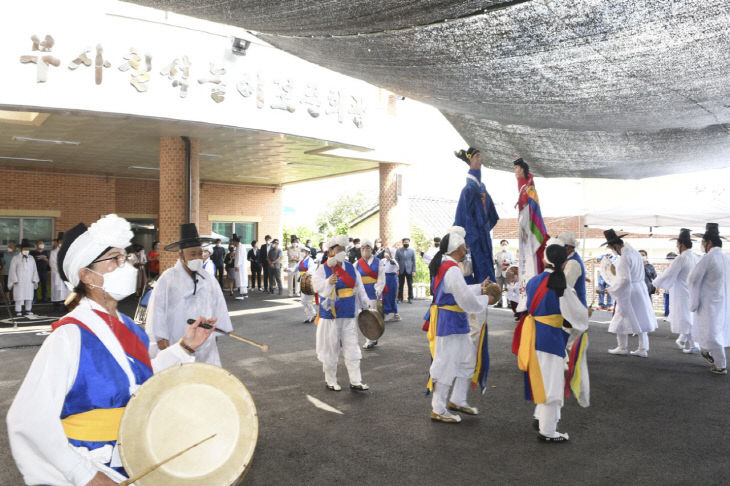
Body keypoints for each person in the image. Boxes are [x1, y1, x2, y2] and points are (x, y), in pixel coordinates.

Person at [6, 214, 215, 485]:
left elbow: (140, 381)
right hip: (91, 463)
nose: (125, 265)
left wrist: (185, 346)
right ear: (85, 274)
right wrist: (87, 475)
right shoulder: (69, 335)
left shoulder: (129, 327)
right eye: (114, 259)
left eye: (124, 258)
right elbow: (28, 419)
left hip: (133, 457)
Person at [513, 238, 589, 442]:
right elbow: (578, 316)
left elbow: (526, 306)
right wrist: (584, 316)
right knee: (552, 384)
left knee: (543, 378)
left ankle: (541, 417)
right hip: (551, 339)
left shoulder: (533, 281)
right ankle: (547, 430)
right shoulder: (560, 285)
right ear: (564, 262)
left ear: (545, 259)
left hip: (533, 336)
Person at [425, 227, 495, 423]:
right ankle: (438, 409)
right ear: (457, 248)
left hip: (456, 321)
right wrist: (485, 300)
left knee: (467, 360)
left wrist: (479, 288)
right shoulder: (452, 269)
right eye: (464, 247)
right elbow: (463, 298)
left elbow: (459, 290)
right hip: (450, 322)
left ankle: (458, 399)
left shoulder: (447, 265)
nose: (466, 250)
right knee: (446, 365)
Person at [146, 223, 233, 366]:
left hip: (205, 341)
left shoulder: (209, 279)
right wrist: (160, 336)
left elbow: (218, 307)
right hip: (177, 337)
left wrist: (216, 332)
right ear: (181, 255)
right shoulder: (168, 279)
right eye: (192, 254)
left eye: (200, 253)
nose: (197, 257)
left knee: (203, 379)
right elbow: (157, 309)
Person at [313, 234, 371, 391]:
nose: (342, 252)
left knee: (352, 347)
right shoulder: (323, 268)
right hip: (331, 314)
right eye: (339, 249)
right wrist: (328, 282)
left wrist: (366, 303)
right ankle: (330, 380)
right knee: (331, 348)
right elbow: (316, 286)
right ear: (331, 251)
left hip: (349, 312)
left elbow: (359, 287)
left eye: (344, 249)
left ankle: (356, 381)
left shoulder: (351, 267)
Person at [603, 229, 657, 358]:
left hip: (630, 291)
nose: (612, 250)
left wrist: (611, 290)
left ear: (616, 245)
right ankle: (643, 349)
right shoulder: (635, 253)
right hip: (640, 288)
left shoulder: (623, 258)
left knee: (620, 317)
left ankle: (622, 347)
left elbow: (624, 280)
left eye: (611, 248)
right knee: (641, 317)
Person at [688, 223, 730, 374]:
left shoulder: (709, 257)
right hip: (723, 301)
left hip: (710, 301)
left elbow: (693, 279)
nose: (702, 245)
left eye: (703, 242)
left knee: (712, 332)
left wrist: (693, 302)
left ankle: (720, 365)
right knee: (713, 329)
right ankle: (706, 351)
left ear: (709, 243)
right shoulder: (726, 257)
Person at [454, 147, 500, 284]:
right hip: (473, 239)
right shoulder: (468, 190)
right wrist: (470, 237)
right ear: (470, 160)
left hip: (483, 237)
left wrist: (484, 229)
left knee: (487, 270)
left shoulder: (482, 188)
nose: (480, 159)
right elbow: (462, 217)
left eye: (480, 156)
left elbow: (492, 214)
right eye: (477, 157)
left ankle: (487, 297)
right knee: (475, 272)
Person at [653, 229, 700, 353]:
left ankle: (694, 345)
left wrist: (656, 282)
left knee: (685, 319)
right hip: (692, 291)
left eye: (677, 244)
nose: (676, 246)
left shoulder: (681, 258)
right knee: (689, 318)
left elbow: (668, 274)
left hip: (682, 292)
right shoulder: (696, 257)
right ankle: (684, 340)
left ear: (681, 244)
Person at [514, 157, 549, 311]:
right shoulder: (522, 185)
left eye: (516, 168)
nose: (515, 172)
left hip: (530, 228)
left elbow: (534, 209)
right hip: (524, 228)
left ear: (522, 169)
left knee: (532, 261)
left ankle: (534, 298)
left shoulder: (529, 186)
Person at [356, 239, 386, 349]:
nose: (365, 250)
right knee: (364, 316)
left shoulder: (379, 262)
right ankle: (370, 338)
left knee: (373, 316)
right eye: (362, 248)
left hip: (373, 291)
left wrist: (378, 289)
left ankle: (373, 338)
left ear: (371, 249)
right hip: (362, 292)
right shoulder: (357, 263)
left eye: (367, 248)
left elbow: (381, 277)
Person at [8, 239, 39, 317]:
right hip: (19, 281)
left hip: (29, 281)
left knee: (29, 296)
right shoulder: (15, 258)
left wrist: (34, 279)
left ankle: (28, 309)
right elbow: (12, 269)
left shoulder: (31, 258)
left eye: (28, 249)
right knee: (19, 296)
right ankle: (18, 310)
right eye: (25, 249)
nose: (26, 250)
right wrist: (14, 279)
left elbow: (35, 269)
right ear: (21, 249)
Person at [558, 232, 587, 307]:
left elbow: (565, 287)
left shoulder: (572, 263)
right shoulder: (569, 260)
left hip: (575, 308)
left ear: (570, 248)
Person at [49, 233, 70, 311]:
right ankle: (56, 305)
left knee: (67, 290)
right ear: (57, 242)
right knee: (57, 290)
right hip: (58, 274)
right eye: (60, 241)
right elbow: (52, 263)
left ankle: (66, 305)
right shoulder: (54, 252)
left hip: (66, 274)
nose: (62, 243)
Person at [298, 246, 316, 323]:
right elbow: (295, 269)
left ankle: (313, 314)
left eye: (303, 251)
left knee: (307, 300)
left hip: (308, 281)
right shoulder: (301, 261)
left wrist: (307, 273)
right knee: (303, 301)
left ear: (308, 252)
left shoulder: (310, 260)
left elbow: (312, 270)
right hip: (302, 280)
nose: (301, 252)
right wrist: (287, 269)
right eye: (301, 250)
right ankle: (310, 316)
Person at [382, 246, 401, 321]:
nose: (386, 253)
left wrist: (389, 259)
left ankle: (396, 314)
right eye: (385, 251)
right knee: (384, 296)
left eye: (387, 251)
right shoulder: (383, 260)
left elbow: (394, 264)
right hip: (384, 278)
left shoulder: (393, 260)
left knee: (392, 296)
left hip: (392, 279)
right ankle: (384, 313)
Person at [396, 237, 416, 304]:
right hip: (401, 270)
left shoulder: (412, 251)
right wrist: (397, 270)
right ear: (403, 243)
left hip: (409, 270)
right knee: (401, 285)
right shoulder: (398, 251)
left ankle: (410, 298)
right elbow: (396, 261)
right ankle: (400, 298)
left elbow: (414, 261)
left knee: (410, 285)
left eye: (407, 242)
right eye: (405, 242)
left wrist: (414, 271)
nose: (406, 243)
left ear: (409, 243)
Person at [494, 239, 513, 307]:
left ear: (507, 245)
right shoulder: (497, 253)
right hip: (499, 274)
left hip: (507, 274)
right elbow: (494, 263)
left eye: (505, 244)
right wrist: (495, 260)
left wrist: (507, 260)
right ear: (500, 245)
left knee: (508, 289)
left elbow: (512, 262)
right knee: (499, 289)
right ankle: (499, 302)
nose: (504, 246)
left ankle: (509, 303)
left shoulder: (510, 253)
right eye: (502, 244)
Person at [232, 233, 248, 301]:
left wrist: (237, 265)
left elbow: (239, 257)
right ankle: (245, 293)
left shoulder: (240, 247)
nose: (233, 243)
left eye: (233, 242)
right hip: (242, 265)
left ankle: (241, 294)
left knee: (241, 278)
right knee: (243, 279)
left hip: (240, 266)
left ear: (236, 241)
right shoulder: (241, 246)